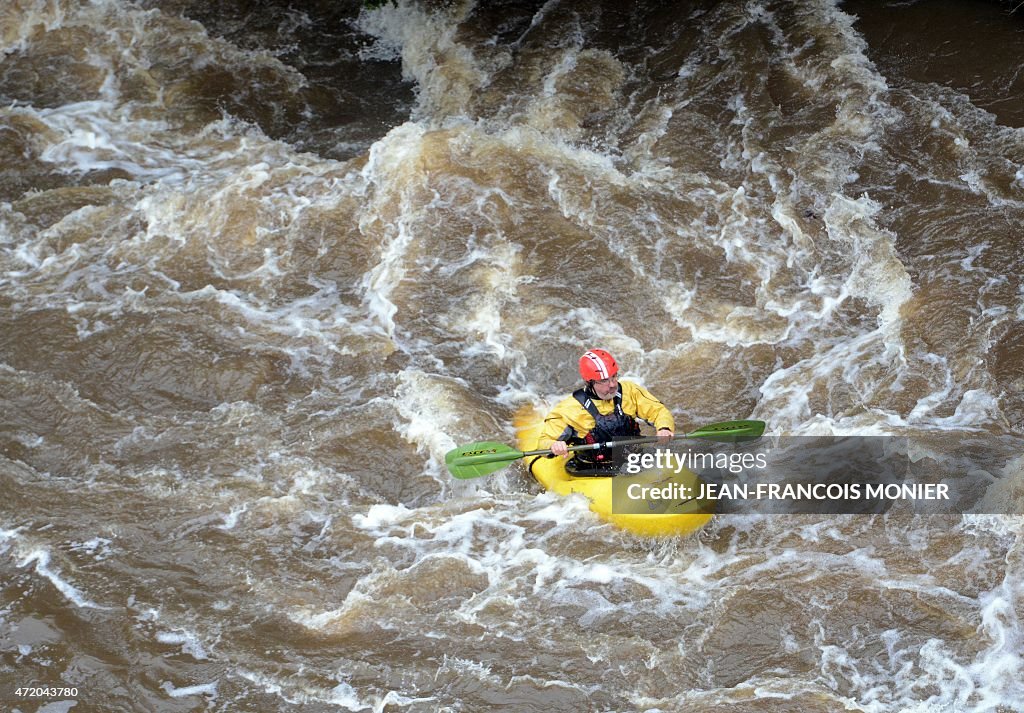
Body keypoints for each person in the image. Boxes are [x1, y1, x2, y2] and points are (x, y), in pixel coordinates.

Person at [537, 349, 675, 473]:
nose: (613, 385)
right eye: (604, 381)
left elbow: (658, 411)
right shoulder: (569, 410)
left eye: (614, 376)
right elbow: (544, 442)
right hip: (593, 469)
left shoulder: (629, 391)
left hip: (633, 460)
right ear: (589, 382)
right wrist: (554, 445)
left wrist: (664, 427)